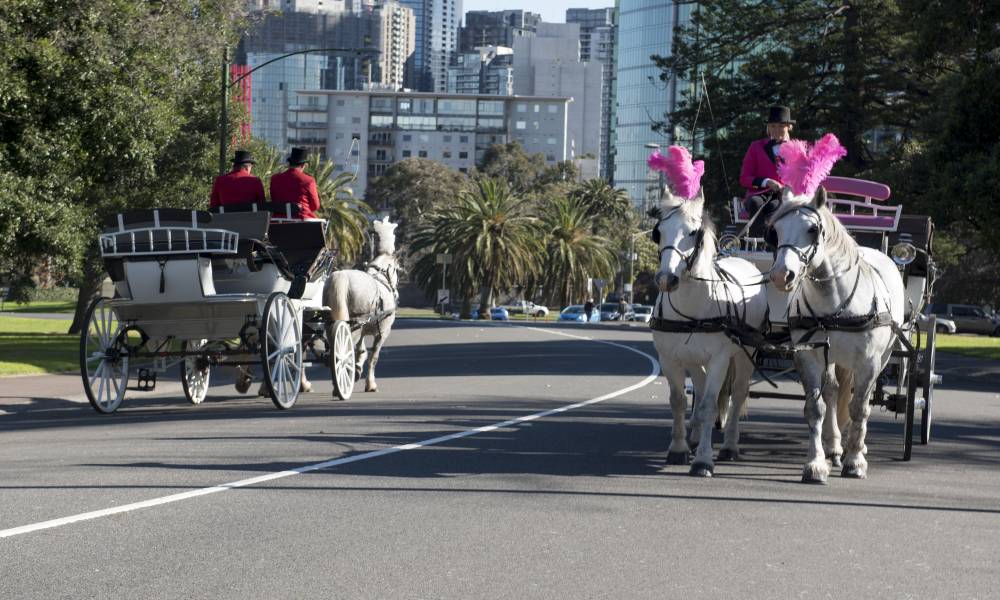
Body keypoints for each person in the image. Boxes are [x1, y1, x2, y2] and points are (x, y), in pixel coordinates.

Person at [739, 105, 795, 226]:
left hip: (783, 196)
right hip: (757, 194)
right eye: (773, 126)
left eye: (781, 126)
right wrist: (767, 182)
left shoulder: (797, 149)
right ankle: (756, 242)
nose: (776, 129)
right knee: (755, 202)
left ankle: (772, 244)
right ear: (768, 127)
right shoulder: (756, 147)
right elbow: (744, 179)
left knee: (774, 207)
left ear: (789, 127)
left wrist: (788, 188)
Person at [269, 147, 320, 220]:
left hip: (279, 221)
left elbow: (274, 200)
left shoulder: (274, 179)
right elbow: (315, 206)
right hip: (302, 222)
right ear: (303, 165)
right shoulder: (309, 180)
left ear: (290, 164)